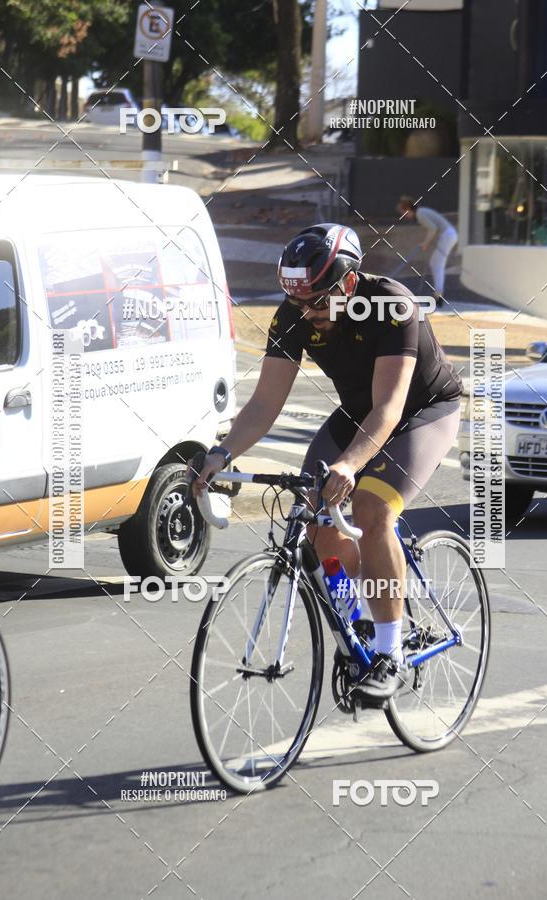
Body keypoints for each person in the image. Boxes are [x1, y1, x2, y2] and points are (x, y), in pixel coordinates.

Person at [191, 223, 462, 701]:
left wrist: (350, 466)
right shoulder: (294, 313)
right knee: (316, 525)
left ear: (351, 282)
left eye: (320, 300)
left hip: (420, 413)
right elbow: (264, 403)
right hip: (357, 413)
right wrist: (222, 452)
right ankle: (357, 617)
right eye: (300, 302)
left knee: (372, 511)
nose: (310, 312)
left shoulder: (392, 306)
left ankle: (389, 652)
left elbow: (390, 409)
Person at [396, 196, 458, 307]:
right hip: (449, 235)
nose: (404, 216)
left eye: (404, 213)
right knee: (435, 264)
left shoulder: (420, 214)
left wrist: (426, 243)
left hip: (448, 235)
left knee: (437, 264)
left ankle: (438, 295)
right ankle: (438, 294)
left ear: (408, 209)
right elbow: (434, 228)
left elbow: (433, 228)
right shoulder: (421, 212)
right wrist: (427, 242)